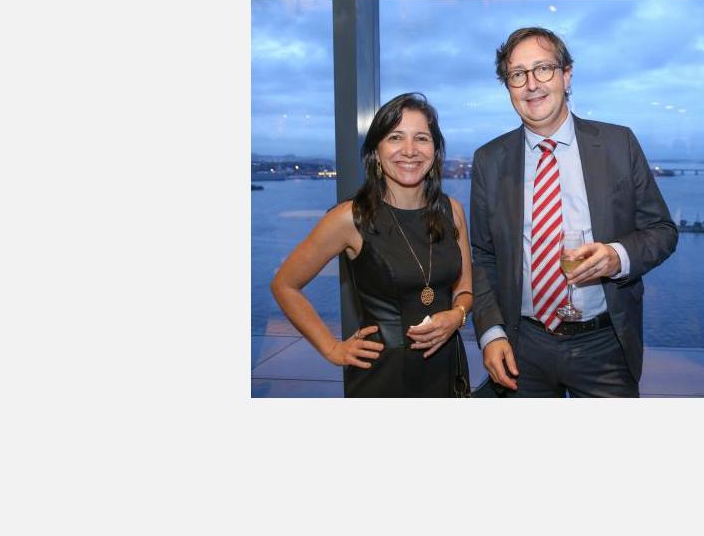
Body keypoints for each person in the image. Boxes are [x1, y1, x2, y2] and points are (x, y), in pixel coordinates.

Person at [470, 27, 678, 397]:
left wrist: (617, 257)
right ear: (508, 87)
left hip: (605, 346)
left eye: (543, 69)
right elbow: (483, 256)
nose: (531, 84)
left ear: (566, 75)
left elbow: (662, 230)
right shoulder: (489, 160)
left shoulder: (618, 144)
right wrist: (491, 333)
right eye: (517, 74)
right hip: (523, 347)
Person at [271, 93, 472, 397]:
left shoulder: (452, 211)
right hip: (383, 375)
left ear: (435, 150)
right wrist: (331, 348)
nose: (409, 150)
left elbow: (465, 289)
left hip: (447, 365)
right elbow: (284, 285)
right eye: (395, 137)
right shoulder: (350, 218)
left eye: (421, 138)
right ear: (376, 151)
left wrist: (457, 315)